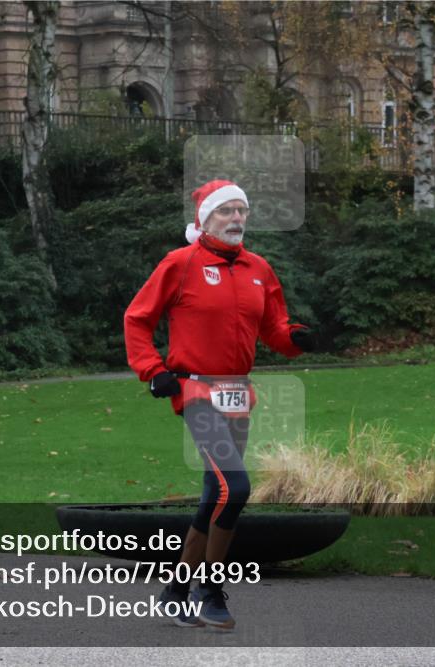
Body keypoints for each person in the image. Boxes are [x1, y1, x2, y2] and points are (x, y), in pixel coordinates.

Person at [123, 179, 316, 629]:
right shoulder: (181, 263)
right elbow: (137, 318)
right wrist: (154, 371)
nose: (236, 219)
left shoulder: (258, 269)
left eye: (241, 211)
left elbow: (274, 328)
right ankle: (210, 590)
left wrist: (298, 339)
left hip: (237, 393)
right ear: (205, 219)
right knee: (236, 488)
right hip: (196, 392)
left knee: (214, 495)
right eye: (226, 211)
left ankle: (175, 591)